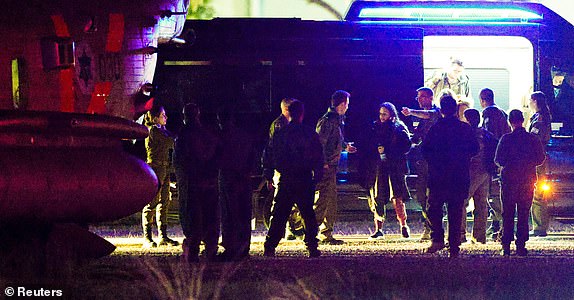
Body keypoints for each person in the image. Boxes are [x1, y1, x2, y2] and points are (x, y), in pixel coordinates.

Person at [263, 100, 323, 258]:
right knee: (307, 213)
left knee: (279, 213)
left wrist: (269, 175)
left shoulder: (281, 134)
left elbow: (269, 155)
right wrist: (317, 175)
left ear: (288, 113)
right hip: (304, 177)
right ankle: (312, 245)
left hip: (287, 178)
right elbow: (318, 156)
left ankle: (270, 245)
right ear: (302, 114)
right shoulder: (309, 134)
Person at [422, 95, 479, 258]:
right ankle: (454, 244)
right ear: (455, 110)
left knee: (434, 208)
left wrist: (435, 162)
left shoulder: (435, 128)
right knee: (455, 210)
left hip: (438, 175)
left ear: (441, 110)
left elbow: (425, 150)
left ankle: (437, 238)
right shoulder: (465, 129)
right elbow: (474, 149)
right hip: (459, 174)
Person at [174, 103, 221, 263]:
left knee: (192, 218)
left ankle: (193, 251)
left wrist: (183, 179)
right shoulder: (208, 134)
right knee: (210, 217)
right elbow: (215, 157)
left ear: (185, 116)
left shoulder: (183, 135)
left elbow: (180, 161)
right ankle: (211, 249)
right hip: (209, 183)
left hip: (192, 184)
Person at [495, 109, 546, 256]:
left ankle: (506, 245)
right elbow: (540, 158)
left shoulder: (506, 139)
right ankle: (521, 245)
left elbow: (498, 159)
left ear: (510, 122)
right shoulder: (532, 139)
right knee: (524, 213)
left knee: (508, 212)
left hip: (509, 180)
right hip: (527, 179)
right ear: (523, 120)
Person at [315, 90, 357, 245]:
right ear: (342, 104)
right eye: (347, 104)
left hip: (331, 167)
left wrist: (345, 147)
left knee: (330, 201)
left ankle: (325, 233)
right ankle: (312, 232)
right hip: (326, 167)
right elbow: (319, 144)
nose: (347, 107)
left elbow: (334, 141)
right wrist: (323, 162)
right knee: (323, 201)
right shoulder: (327, 121)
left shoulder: (337, 120)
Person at [366, 102, 412, 240]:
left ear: (391, 115)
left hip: (395, 167)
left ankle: (403, 225)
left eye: (384, 114)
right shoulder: (375, 127)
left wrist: (391, 152)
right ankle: (378, 229)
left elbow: (406, 146)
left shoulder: (398, 128)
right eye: (380, 113)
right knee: (378, 197)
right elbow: (369, 144)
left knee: (397, 197)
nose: (382, 117)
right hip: (379, 168)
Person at [401, 87, 441, 241]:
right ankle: (430, 226)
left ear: (430, 98)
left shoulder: (436, 112)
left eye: (422, 97)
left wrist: (411, 111)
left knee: (433, 196)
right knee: (420, 195)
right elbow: (416, 137)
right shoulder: (419, 117)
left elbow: (428, 115)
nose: (419, 99)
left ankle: (432, 230)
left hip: (435, 162)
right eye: (418, 97)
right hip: (422, 161)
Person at [262, 98, 304, 240]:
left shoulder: (285, 125)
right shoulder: (280, 125)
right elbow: (274, 150)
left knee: (289, 202)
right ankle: (280, 231)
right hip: (282, 170)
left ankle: (290, 229)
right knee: (280, 201)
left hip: (285, 169)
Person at [217, 107, 255, 261]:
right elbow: (253, 156)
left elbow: (217, 158)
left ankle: (230, 248)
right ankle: (244, 247)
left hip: (228, 178)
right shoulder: (244, 136)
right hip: (244, 178)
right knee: (244, 213)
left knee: (229, 214)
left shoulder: (221, 136)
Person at [141, 106, 179, 248]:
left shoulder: (161, 131)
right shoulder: (152, 131)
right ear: (155, 118)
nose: (166, 117)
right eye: (163, 115)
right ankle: (148, 237)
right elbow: (169, 141)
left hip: (164, 167)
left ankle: (163, 236)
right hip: (155, 168)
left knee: (164, 201)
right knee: (152, 202)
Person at [461, 109, 498, 244]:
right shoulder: (486, 134)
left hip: (471, 169)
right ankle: (479, 236)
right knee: (481, 204)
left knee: (462, 201)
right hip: (485, 170)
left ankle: (460, 234)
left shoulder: (466, 134)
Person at [479, 88, 511, 240]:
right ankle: (498, 226)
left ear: (482, 100)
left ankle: (498, 228)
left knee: (493, 195)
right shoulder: (502, 113)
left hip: (493, 158)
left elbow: (489, 135)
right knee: (498, 194)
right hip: (503, 157)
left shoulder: (488, 113)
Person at [528, 91, 553, 237]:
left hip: (537, 158)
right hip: (539, 156)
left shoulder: (540, 118)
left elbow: (534, 137)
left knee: (537, 191)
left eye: (530, 100)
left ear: (535, 101)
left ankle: (539, 227)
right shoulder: (541, 116)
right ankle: (539, 226)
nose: (529, 103)